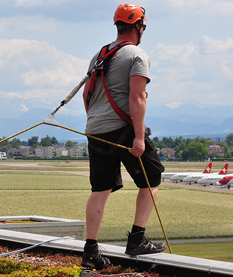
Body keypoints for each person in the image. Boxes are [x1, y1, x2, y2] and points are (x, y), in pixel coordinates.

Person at [80, 3, 166, 269]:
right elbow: (137, 96)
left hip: (95, 129)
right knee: (152, 177)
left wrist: (96, 121)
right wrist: (139, 137)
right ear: (139, 27)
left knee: (100, 188)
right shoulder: (137, 55)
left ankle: (91, 250)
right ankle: (137, 239)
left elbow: (87, 95)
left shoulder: (100, 54)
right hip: (122, 129)